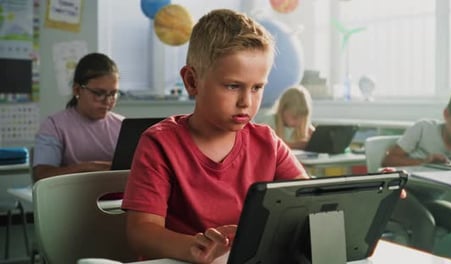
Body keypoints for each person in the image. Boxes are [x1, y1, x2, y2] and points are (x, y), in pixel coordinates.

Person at [121, 9, 308, 263]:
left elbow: (309, 201)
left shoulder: (268, 142)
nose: (246, 102)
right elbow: (141, 232)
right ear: (192, 81)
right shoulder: (159, 143)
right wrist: (195, 248)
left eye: (257, 88)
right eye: (233, 86)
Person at [32, 52, 124, 182]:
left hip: (115, 200)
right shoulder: (54, 126)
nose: (108, 101)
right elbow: (42, 175)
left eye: (113, 94)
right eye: (99, 93)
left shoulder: (122, 125)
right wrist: (88, 168)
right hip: (69, 199)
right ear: (77, 90)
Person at [261, 85, 315, 150]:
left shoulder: (304, 126)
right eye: (294, 117)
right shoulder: (270, 122)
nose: (298, 121)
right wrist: (295, 145)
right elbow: (266, 145)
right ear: (282, 110)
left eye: (302, 117)